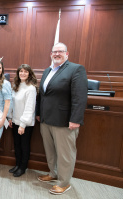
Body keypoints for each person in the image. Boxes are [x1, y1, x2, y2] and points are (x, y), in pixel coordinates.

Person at [36, 43, 87, 195]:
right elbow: (42, 95)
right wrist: (39, 113)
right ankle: (53, 173)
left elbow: (80, 97)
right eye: (54, 52)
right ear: (51, 54)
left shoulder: (76, 69)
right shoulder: (47, 71)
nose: (57, 54)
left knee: (65, 154)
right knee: (50, 150)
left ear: (67, 54)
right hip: (46, 119)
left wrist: (75, 119)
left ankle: (64, 183)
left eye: (60, 51)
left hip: (64, 121)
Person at [8, 64, 37, 177]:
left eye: (25, 72)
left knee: (24, 146)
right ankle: (17, 164)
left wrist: (23, 124)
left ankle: (22, 167)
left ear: (29, 74)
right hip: (15, 121)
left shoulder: (31, 88)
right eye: (21, 71)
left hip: (25, 124)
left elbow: (29, 108)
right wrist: (10, 117)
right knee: (17, 145)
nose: (23, 73)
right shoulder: (16, 85)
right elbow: (12, 103)